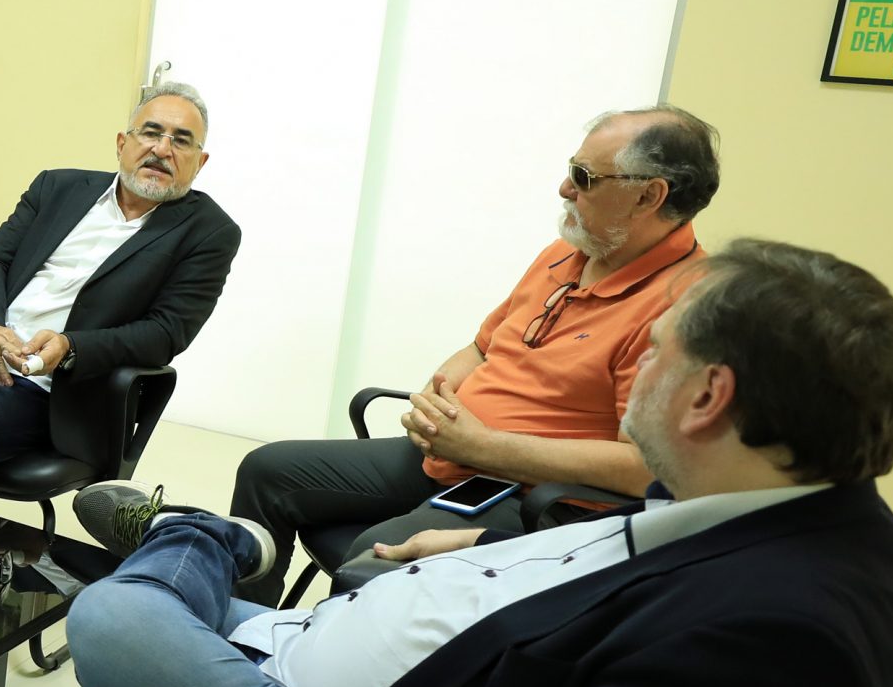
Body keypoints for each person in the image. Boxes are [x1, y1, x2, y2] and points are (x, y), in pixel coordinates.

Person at [0, 239, 893, 687]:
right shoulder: (789, 521)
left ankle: (203, 537)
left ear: (708, 395)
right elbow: (620, 580)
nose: (637, 361)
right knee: (170, 599)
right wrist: (488, 558)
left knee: (112, 615)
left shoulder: (783, 636)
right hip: (336, 645)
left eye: (659, 347)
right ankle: (209, 544)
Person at [229, 105, 718, 602]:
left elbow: (648, 469)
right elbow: (482, 348)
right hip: (451, 454)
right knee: (266, 471)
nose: (564, 189)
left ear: (648, 196)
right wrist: (434, 401)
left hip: (530, 493)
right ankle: (235, 629)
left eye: (583, 177)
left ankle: (295, 672)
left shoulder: (685, 307)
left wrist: (484, 448)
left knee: (370, 564)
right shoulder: (568, 251)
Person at [0, 73, 241, 553]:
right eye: (151, 133)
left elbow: (166, 333)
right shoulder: (58, 188)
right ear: (123, 143)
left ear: (199, 163)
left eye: (181, 141)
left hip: (57, 390)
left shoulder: (209, 231)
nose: (162, 149)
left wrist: (71, 347)